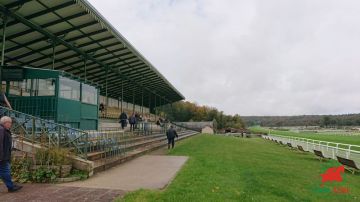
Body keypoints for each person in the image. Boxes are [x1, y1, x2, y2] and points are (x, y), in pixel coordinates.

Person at [0, 116, 22, 192]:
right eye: (10, 123)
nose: (11, 124)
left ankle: (11, 185)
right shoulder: (1, 130)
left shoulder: (4, 130)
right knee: (5, 171)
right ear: (5, 123)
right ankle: (11, 187)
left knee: (5, 171)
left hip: (5, 155)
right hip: (2, 156)